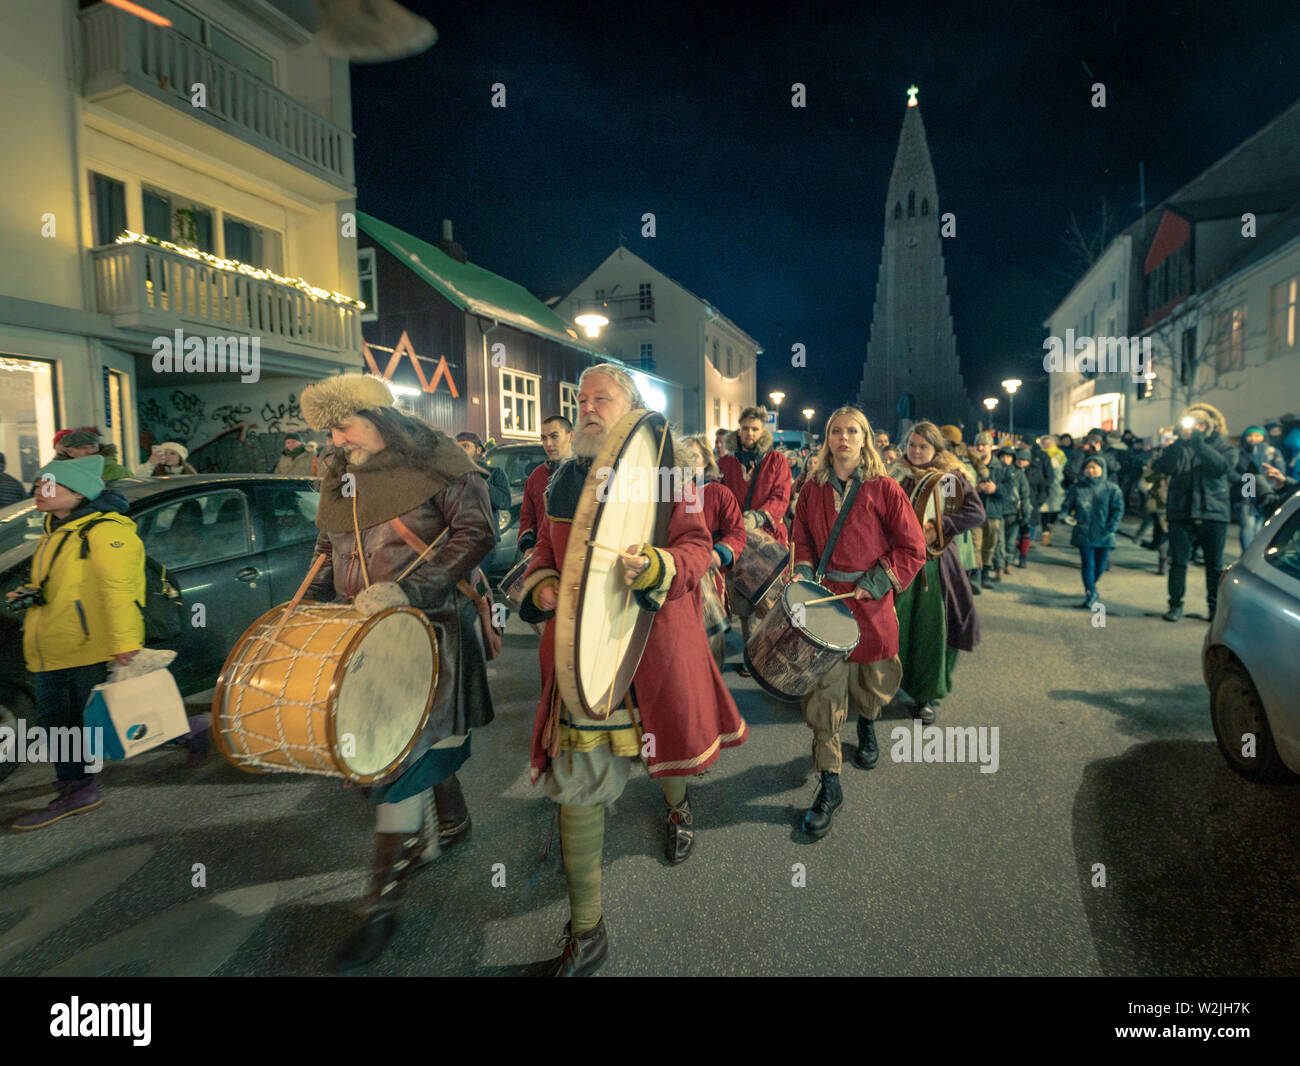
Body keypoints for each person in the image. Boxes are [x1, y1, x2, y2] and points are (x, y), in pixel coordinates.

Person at [517, 364, 747, 976]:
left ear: (632, 407)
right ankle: (588, 931)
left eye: (603, 398)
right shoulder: (561, 476)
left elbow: (698, 548)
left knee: (666, 752)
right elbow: (543, 548)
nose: (588, 408)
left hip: (655, 646)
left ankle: (676, 807)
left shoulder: (672, 470)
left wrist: (658, 565)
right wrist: (542, 586)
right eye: (581, 399)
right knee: (579, 790)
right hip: (586, 658)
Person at [299, 375, 497, 971]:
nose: (337, 440)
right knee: (404, 749)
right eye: (331, 430)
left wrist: (409, 589)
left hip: (429, 629)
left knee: (395, 763)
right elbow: (329, 545)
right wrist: (310, 603)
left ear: (380, 416)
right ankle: (451, 817)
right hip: (362, 636)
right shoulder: (341, 472)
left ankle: (380, 908)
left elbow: (478, 532)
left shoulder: (442, 460)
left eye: (344, 425)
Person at [791, 406, 926, 838]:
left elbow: (911, 548)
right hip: (827, 603)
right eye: (835, 431)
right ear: (827, 439)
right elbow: (802, 539)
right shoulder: (811, 489)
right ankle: (830, 783)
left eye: (852, 431)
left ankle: (867, 722)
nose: (843, 438)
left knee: (874, 681)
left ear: (865, 439)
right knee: (824, 695)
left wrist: (875, 580)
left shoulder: (884, 488)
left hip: (869, 603)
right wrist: (806, 572)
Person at [8, 456, 144, 830]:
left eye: (48, 485)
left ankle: (79, 788)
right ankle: (187, 733)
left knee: (75, 721)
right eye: (37, 485)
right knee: (61, 720)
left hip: (84, 646)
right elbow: (66, 583)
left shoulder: (105, 532)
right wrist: (33, 592)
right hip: (53, 641)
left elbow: (120, 590)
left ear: (78, 493)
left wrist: (125, 641)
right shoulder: (57, 528)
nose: (38, 491)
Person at [891, 422, 984, 723]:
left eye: (924, 446)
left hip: (935, 567)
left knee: (931, 632)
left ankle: (925, 695)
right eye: (913, 445)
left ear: (936, 450)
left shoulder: (947, 479)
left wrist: (938, 528)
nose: (916, 451)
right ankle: (888, 686)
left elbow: (972, 513)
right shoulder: (897, 475)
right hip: (900, 564)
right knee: (896, 630)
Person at [718, 406, 792, 674]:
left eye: (754, 428)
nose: (748, 433)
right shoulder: (726, 462)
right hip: (738, 540)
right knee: (743, 601)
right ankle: (751, 654)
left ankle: (770, 655)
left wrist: (760, 516)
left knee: (770, 602)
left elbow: (782, 496)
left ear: (762, 432)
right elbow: (720, 495)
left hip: (768, 541)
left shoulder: (777, 461)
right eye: (745, 428)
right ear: (739, 429)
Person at [1154, 402, 1236, 622]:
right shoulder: (1178, 445)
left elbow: (1221, 468)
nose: (1196, 428)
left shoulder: (1223, 446)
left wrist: (1200, 445)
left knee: (1214, 565)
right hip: (1181, 512)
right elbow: (1165, 467)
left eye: (1201, 424)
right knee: (1178, 561)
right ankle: (1175, 605)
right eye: (1192, 424)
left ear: (1210, 426)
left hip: (1214, 512)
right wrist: (1180, 441)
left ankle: (1214, 609)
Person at [679, 433, 746, 670]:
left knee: (709, 648)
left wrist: (718, 554)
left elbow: (737, 533)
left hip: (708, 578)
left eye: (693, 455)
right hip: (678, 578)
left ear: (706, 461)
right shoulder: (668, 493)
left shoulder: (719, 493)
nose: (687, 460)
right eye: (683, 454)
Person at [1060, 456, 1123, 608]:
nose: (1090, 470)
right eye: (1088, 467)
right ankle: (1091, 592)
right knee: (1088, 563)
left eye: (1094, 467)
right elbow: (1065, 507)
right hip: (1084, 531)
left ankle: (1091, 587)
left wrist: (1111, 527)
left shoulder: (1112, 489)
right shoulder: (1077, 488)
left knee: (1100, 566)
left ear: (1102, 469)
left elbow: (1118, 510)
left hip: (1104, 533)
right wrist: (1066, 517)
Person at [518, 414, 573, 554]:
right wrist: (528, 547)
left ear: (570, 436)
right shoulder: (535, 478)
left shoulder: (588, 473)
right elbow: (527, 518)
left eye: (554, 436)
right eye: (543, 438)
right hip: (546, 557)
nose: (548, 444)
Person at [968, 432, 1010, 589]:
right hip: (974, 512)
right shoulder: (969, 465)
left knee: (990, 544)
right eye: (978, 444)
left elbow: (1009, 490)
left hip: (993, 512)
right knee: (975, 544)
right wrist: (975, 489)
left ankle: (986, 573)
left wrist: (995, 489)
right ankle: (976, 576)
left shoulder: (1000, 468)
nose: (980, 447)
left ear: (990, 447)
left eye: (983, 445)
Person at [1235, 426, 1285, 552]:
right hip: (1248, 492)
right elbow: (1240, 470)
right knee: (1248, 525)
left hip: (1266, 493)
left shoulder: (1272, 451)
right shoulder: (1240, 452)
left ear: (1263, 437)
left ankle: (1255, 554)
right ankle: (1246, 555)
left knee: (1260, 527)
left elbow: (1280, 471)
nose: (1253, 438)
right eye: (1250, 435)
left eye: (1258, 435)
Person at [455, 431, 511, 523]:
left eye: (465, 446)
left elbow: (504, 502)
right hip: (461, 534)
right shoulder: (452, 475)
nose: (461, 451)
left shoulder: (495, 473)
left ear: (479, 450)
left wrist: (479, 479)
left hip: (486, 534)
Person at [58, 428, 133, 481]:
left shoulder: (118, 472)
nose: (90, 451)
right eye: (83, 448)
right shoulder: (61, 474)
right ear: (69, 452)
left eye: (93, 446)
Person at [995, 444, 1024, 578]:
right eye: (1003, 456)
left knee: (1011, 541)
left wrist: (1025, 511)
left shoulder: (1018, 474)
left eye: (1008, 457)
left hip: (1013, 511)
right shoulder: (996, 471)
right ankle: (1000, 566)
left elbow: (1025, 493)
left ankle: (1009, 563)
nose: (1005, 459)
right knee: (1000, 541)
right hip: (999, 510)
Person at [1038, 434, 1066, 545]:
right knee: (1044, 510)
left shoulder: (1059, 454)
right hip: (1043, 487)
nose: (1046, 445)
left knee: (1055, 509)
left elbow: (1064, 469)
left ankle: (1050, 526)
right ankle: (1045, 535)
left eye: (1049, 442)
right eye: (1044, 443)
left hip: (1057, 487)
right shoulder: (1039, 455)